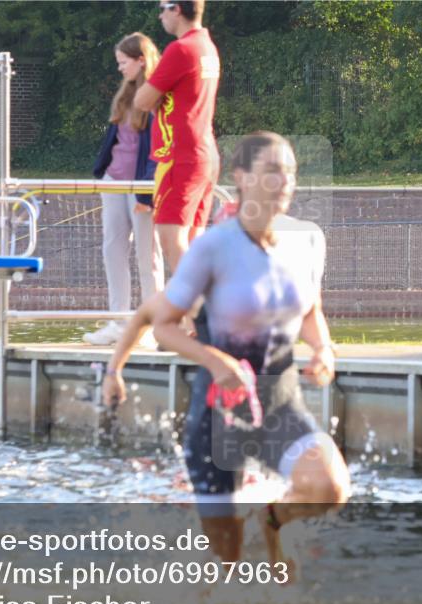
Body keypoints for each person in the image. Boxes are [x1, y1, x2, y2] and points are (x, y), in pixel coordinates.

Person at [103, 133, 351, 577]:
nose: (284, 181)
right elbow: (158, 322)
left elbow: (311, 309)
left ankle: (272, 520)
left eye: (290, 171)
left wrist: (322, 349)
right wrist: (214, 361)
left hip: (279, 402)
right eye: (272, 170)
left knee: (330, 487)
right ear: (241, 177)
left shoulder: (305, 241)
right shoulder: (214, 247)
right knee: (228, 564)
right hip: (218, 417)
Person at [84, 33, 165, 347]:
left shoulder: (156, 96)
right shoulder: (125, 93)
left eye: (123, 62)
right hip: (114, 183)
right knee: (112, 250)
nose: (119, 68)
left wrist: (147, 193)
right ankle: (118, 322)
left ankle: (153, 327)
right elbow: (116, 138)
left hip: (141, 185)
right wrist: (101, 171)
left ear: (140, 60)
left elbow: (157, 147)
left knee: (149, 257)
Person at [133, 0, 220, 274]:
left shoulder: (181, 49)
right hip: (203, 155)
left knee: (171, 238)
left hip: (179, 157)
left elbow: (142, 101)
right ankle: (196, 313)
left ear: (177, 9)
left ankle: (192, 313)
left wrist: (144, 76)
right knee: (193, 242)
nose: (160, 16)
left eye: (163, 8)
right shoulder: (207, 46)